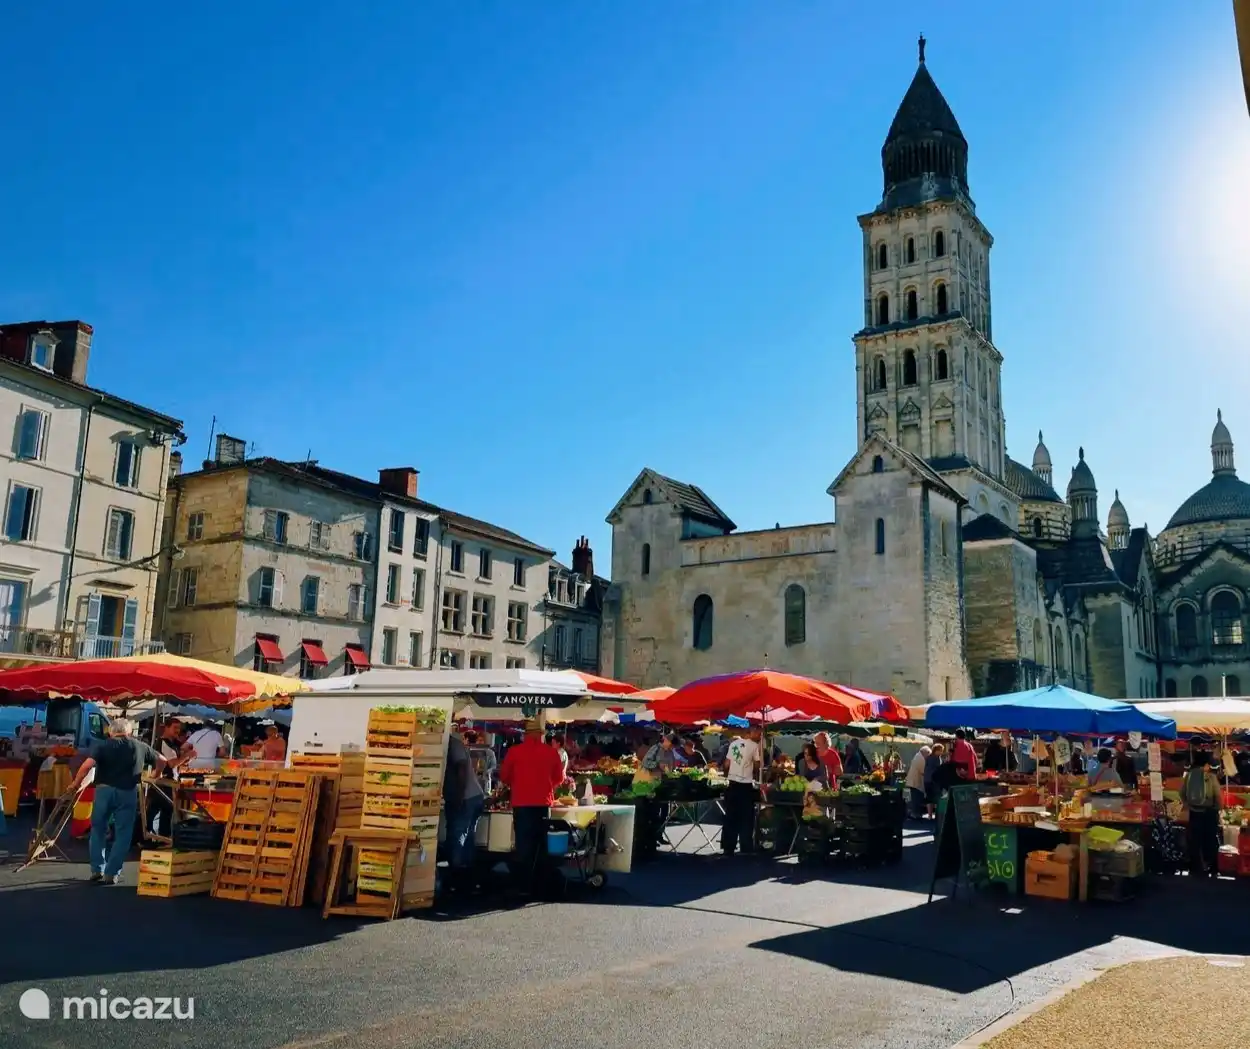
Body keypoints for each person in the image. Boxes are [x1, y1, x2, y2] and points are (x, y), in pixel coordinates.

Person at [68, 718, 165, 884]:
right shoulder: (139, 745)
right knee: (123, 833)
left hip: (104, 791)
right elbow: (162, 759)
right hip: (127, 792)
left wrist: (75, 783)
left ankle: (97, 869)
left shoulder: (102, 745)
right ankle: (112, 873)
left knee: (98, 830)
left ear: (110, 732)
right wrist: (156, 775)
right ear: (129, 732)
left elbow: (86, 766)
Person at [498, 720, 565, 895]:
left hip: (521, 803)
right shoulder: (551, 753)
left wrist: (517, 781)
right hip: (543, 803)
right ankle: (541, 884)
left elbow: (504, 776)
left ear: (525, 735)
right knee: (541, 845)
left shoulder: (514, 751)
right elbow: (559, 778)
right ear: (541, 735)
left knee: (523, 845)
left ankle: (523, 885)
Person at [442, 728, 486, 892]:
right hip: (472, 796)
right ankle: (467, 876)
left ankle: (456, 876)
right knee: (467, 836)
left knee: (458, 834)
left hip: (466, 797)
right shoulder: (454, 744)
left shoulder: (453, 745)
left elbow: (461, 769)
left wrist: (459, 796)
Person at [720, 728, 761, 857]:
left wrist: (729, 774)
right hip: (745, 784)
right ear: (750, 733)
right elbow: (757, 765)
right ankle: (746, 846)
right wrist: (754, 773)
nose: (759, 735)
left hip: (732, 784)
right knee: (746, 817)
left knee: (730, 817)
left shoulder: (733, 744)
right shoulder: (754, 746)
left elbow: (727, 764)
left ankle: (728, 847)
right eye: (757, 733)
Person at [1183, 751, 1222, 878]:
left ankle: (1195, 866)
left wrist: (1188, 804)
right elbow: (1217, 795)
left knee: (1195, 839)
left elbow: (1181, 793)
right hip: (1209, 812)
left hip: (1194, 812)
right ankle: (1211, 865)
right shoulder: (1210, 776)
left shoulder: (1188, 775)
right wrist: (1217, 808)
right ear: (1206, 764)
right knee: (1210, 839)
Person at [905, 745, 931, 819]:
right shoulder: (920, 759)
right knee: (916, 798)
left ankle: (914, 813)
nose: (928, 757)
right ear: (925, 752)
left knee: (914, 798)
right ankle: (915, 814)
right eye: (928, 754)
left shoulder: (918, 756)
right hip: (915, 782)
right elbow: (923, 771)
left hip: (913, 781)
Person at [923, 743, 945, 817]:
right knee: (937, 798)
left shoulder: (928, 757)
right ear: (937, 750)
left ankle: (929, 815)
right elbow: (938, 770)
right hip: (934, 780)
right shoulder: (937, 758)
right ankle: (938, 815)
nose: (942, 752)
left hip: (926, 780)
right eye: (941, 750)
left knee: (929, 798)